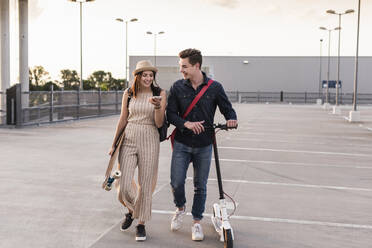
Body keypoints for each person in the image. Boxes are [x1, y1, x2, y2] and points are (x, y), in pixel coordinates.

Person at [166, 49, 238, 241]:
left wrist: (232, 119)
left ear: (196, 66)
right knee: (176, 181)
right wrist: (186, 123)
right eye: (181, 66)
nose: (181, 70)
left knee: (200, 185)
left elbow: (227, 109)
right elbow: (170, 114)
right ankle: (180, 207)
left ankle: (197, 222)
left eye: (184, 66)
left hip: (205, 144)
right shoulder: (177, 87)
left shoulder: (215, 87)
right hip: (182, 143)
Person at [109, 60, 166, 241]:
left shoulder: (160, 93)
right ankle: (132, 211)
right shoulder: (129, 93)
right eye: (144, 75)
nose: (148, 78)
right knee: (123, 184)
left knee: (146, 184)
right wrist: (113, 143)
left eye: (151, 75)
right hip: (129, 138)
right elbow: (122, 119)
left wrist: (157, 106)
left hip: (150, 138)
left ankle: (141, 224)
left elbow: (159, 123)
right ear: (138, 76)